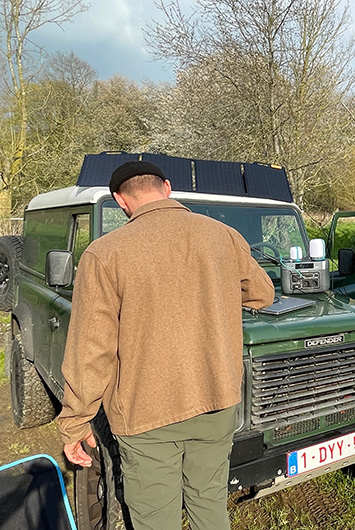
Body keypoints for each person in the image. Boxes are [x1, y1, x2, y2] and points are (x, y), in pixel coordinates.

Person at [57, 160, 275, 530]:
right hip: (217, 401)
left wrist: (74, 421)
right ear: (167, 187)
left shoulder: (105, 253)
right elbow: (262, 294)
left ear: (120, 201)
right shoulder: (222, 235)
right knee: (209, 507)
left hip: (146, 413)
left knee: (157, 520)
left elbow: (91, 349)